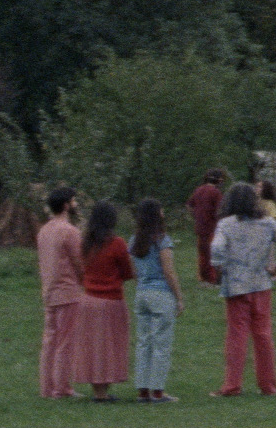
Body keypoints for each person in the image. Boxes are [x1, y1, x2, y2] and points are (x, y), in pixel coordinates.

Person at [210, 182, 276, 396]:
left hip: (237, 287)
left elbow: (216, 248)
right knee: (263, 335)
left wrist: (220, 269)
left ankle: (232, 385)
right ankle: (268, 385)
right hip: (261, 284)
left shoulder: (226, 224)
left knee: (237, 336)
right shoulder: (266, 223)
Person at [78, 200, 134, 402]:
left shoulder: (85, 243)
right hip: (111, 300)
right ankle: (103, 392)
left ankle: (97, 390)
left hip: (88, 300)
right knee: (110, 346)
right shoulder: (117, 243)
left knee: (93, 346)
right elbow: (128, 271)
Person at [130, 198, 184, 403]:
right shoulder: (162, 240)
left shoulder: (134, 240)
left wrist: (141, 285)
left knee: (143, 343)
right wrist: (179, 297)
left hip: (142, 293)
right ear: (157, 214)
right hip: (161, 293)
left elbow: (134, 271)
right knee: (161, 344)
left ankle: (142, 390)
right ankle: (158, 391)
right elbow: (169, 271)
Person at [37, 187, 85, 399]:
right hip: (68, 292)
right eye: (74, 201)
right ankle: (63, 388)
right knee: (66, 342)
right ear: (66, 205)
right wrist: (86, 283)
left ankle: (47, 388)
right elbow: (79, 263)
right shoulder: (70, 231)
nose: (75, 204)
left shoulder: (43, 231)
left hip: (49, 292)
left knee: (50, 342)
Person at [187, 169, 228, 285]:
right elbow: (220, 211)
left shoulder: (199, 190)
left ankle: (203, 278)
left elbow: (189, 206)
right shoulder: (216, 192)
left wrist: (197, 216)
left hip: (200, 227)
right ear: (219, 180)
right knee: (212, 254)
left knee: (202, 254)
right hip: (212, 228)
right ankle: (212, 279)